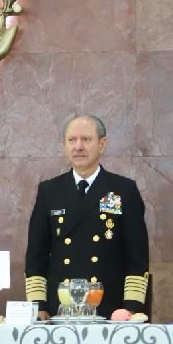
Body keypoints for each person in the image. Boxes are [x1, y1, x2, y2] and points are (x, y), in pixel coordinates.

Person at [24, 114, 149, 319]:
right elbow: (36, 256)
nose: (78, 146)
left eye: (86, 139)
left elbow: (137, 257)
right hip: (59, 309)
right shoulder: (49, 191)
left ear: (102, 144)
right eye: (72, 140)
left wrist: (130, 307)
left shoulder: (123, 190)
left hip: (110, 309)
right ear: (65, 146)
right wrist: (38, 305)